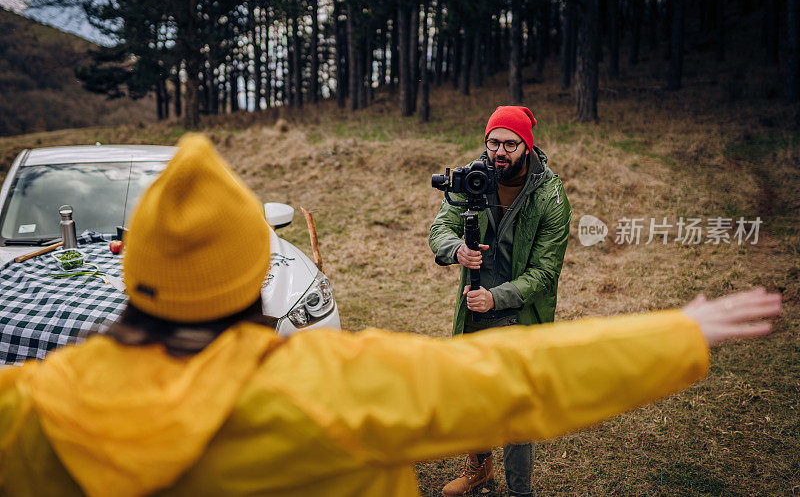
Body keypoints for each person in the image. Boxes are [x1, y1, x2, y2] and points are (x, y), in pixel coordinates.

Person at [0, 134, 780, 497]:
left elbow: (546, 273)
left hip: (513, 301)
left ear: (132, 275)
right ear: (253, 274)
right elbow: (519, 376)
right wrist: (679, 332)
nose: (497, 153)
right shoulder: (337, 385)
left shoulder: (33, 408)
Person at [429, 106, 571, 496]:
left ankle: (520, 489)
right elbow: (441, 226)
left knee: (517, 408)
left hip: (521, 311)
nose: (500, 151)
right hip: (474, 305)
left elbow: (545, 273)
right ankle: (480, 468)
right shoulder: (470, 178)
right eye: (494, 142)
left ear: (528, 145)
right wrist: (455, 249)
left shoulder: (549, 195)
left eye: (511, 143)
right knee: (473, 392)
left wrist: (498, 298)